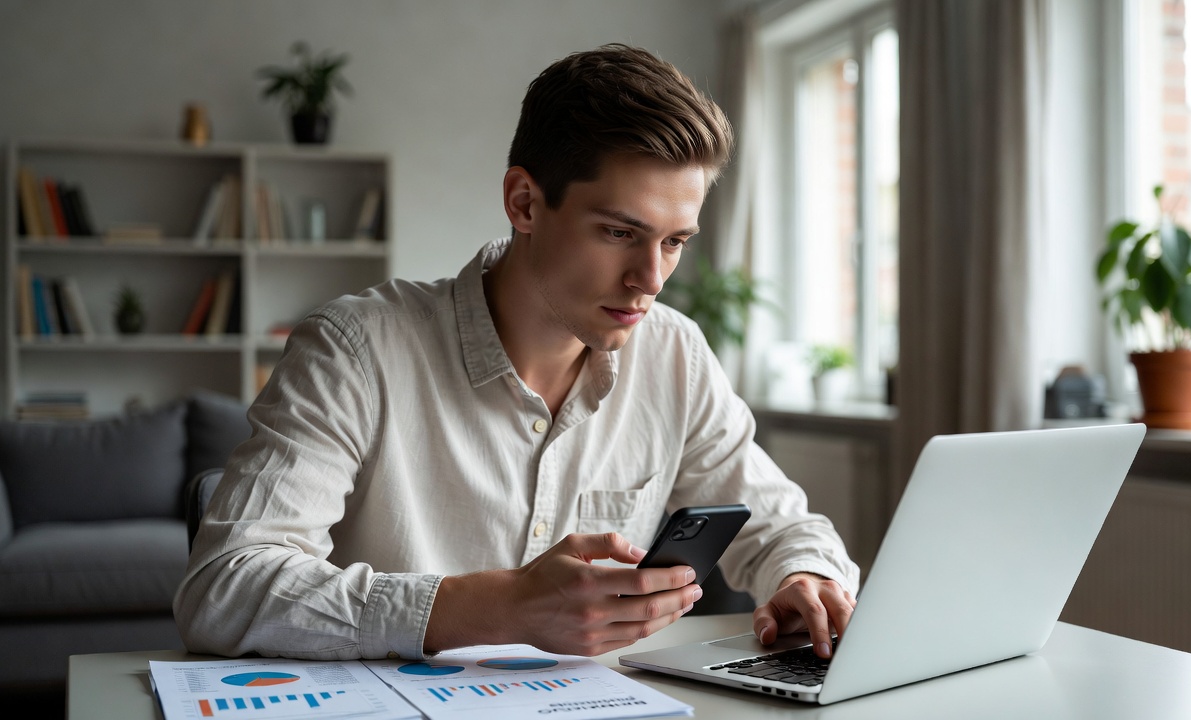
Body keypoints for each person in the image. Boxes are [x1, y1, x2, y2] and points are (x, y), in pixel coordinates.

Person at [174, 43, 858, 663]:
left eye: (675, 241)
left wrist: (808, 580)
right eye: (621, 232)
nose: (651, 278)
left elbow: (775, 523)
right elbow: (223, 587)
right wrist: (502, 607)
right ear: (524, 202)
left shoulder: (674, 352)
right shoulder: (356, 348)